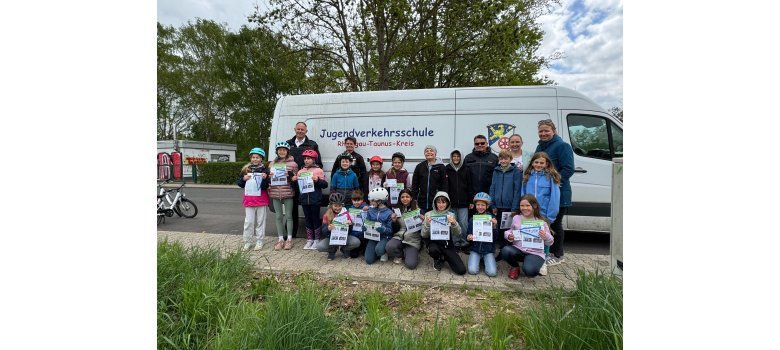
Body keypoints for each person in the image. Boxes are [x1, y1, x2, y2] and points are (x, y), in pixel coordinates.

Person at [535, 119, 574, 265]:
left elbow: (568, 169)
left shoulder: (562, 146)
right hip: (544, 195)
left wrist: (553, 184)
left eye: (546, 130)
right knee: (546, 224)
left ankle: (557, 255)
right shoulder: (540, 146)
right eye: (541, 131)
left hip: (559, 194)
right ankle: (546, 252)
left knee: (555, 224)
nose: (543, 133)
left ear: (554, 130)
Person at [520, 151, 562, 276]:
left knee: (543, 236)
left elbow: (555, 197)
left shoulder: (551, 177)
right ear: (532, 163)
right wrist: (522, 209)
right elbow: (522, 194)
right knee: (531, 236)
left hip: (543, 213)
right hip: (528, 212)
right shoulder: (527, 176)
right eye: (536, 162)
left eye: (541, 163)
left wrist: (550, 216)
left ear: (547, 163)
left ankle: (543, 260)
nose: (538, 164)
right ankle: (530, 258)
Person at [500, 194, 554, 279]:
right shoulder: (516, 218)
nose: (524, 208)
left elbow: (550, 242)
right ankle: (515, 267)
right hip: (519, 250)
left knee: (530, 272)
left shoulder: (541, 222)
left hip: (535, 253)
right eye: (522, 205)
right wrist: (509, 236)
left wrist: (545, 236)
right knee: (505, 250)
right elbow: (510, 231)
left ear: (534, 206)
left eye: (527, 205)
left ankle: (532, 263)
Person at [286, 122, 322, 238]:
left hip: (306, 182)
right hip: (293, 180)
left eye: (302, 129)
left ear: (306, 131)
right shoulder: (288, 144)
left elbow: (318, 163)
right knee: (291, 208)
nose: (300, 131)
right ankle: (291, 234)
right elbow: (283, 162)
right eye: (298, 129)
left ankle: (312, 237)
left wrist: (314, 175)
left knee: (308, 207)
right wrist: (290, 176)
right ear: (294, 129)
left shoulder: (312, 144)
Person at [421, 191, 466, 275]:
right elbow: (424, 235)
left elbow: (458, 233)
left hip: (447, 244)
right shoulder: (428, 214)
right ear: (435, 203)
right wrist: (427, 224)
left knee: (461, 270)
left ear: (447, 203)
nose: (441, 205)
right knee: (433, 249)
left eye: (443, 202)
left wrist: (454, 223)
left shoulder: (451, 215)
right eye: (439, 202)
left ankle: (444, 256)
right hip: (434, 243)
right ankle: (437, 258)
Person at [488, 149, 522, 258]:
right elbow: (492, 187)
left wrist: (514, 207)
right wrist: (492, 204)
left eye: (506, 158)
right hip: (498, 206)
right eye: (501, 158)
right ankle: (502, 251)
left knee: (508, 230)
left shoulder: (515, 171)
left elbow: (517, 190)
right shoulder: (496, 170)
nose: (503, 160)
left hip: (509, 207)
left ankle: (507, 251)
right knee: (499, 229)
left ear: (510, 159)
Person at [291, 149, 328, 249]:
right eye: (305, 159)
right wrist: (294, 180)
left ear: (314, 160)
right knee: (307, 219)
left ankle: (316, 240)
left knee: (315, 218)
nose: (306, 160)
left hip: (315, 199)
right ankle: (309, 239)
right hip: (304, 199)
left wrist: (317, 180)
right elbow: (297, 186)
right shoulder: (300, 171)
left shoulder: (318, 170)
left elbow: (325, 184)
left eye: (309, 159)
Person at [236, 147, 271, 251]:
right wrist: (243, 179)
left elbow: (265, 186)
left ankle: (260, 241)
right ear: (251, 158)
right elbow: (240, 184)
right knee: (249, 222)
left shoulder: (265, 170)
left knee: (261, 222)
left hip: (261, 200)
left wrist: (265, 179)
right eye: (253, 157)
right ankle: (247, 241)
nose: (255, 159)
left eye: (257, 157)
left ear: (261, 159)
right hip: (249, 200)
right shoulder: (246, 170)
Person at [268, 141, 299, 250]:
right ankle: (280, 239)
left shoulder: (293, 164)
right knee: (278, 216)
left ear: (287, 151)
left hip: (288, 192)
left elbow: (296, 180)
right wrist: (268, 176)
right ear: (277, 152)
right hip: (275, 192)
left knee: (289, 216)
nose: (282, 152)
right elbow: (268, 180)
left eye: (284, 150)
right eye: (280, 150)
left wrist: (290, 176)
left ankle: (289, 239)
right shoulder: (272, 164)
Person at [385, 189, 424, 269]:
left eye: (407, 197)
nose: (405, 199)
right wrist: (394, 221)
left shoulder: (418, 210)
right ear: (400, 198)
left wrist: (423, 222)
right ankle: (400, 254)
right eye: (402, 197)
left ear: (411, 198)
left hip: (412, 240)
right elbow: (395, 230)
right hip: (399, 237)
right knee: (389, 247)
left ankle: (410, 252)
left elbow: (422, 231)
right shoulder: (397, 210)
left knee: (411, 265)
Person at [316, 193, 361, 260]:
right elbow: (323, 231)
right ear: (331, 205)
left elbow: (350, 231)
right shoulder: (326, 215)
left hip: (343, 236)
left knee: (356, 242)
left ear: (342, 205)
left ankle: (344, 249)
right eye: (335, 206)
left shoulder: (346, 213)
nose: (338, 208)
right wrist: (328, 228)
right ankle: (332, 250)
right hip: (331, 238)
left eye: (340, 206)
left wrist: (350, 225)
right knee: (320, 246)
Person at [444, 149, 472, 252]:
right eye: (454, 156)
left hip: (464, 203)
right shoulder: (447, 169)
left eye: (458, 156)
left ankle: (464, 243)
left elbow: (470, 185)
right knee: (452, 223)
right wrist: (446, 201)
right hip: (451, 203)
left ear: (461, 157)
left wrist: (471, 201)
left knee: (463, 223)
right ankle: (456, 243)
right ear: (451, 157)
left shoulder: (466, 169)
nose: (456, 158)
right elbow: (445, 186)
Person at [465, 192, 498, 277]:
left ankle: (484, 259)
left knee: (492, 273)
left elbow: (496, 237)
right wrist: (468, 237)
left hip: (488, 250)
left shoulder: (492, 219)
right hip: (475, 249)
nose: (480, 207)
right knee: (472, 271)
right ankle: (479, 259)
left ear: (487, 206)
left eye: (483, 205)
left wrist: (494, 226)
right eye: (478, 204)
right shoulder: (472, 219)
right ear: (475, 205)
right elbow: (468, 233)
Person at [411, 145, 448, 214]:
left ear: (435, 153)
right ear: (424, 154)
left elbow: (445, 185)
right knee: (422, 223)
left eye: (431, 151)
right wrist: (415, 199)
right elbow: (414, 184)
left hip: (436, 203)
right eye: (426, 151)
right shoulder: (420, 166)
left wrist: (443, 200)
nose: (429, 152)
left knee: (434, 223)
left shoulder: (441, 167)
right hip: (421, 203)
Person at [364, 187, 394, 264]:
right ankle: (377, 252)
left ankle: (383, 252)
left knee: (379, 250)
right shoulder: (370, 210)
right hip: (373, 236)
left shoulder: (389, 213)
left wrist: (384, 229)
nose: (370, 203)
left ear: (380, 201)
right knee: (368, 260)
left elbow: (391, 230)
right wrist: (364, 227)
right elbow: (367, 222)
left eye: (372, 200)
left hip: (385, 237)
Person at [345, 189, 369, 258]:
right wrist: (348, 222)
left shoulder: (366, 208)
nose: (356, 202)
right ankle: (357, 248)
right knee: (353, 255)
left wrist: (366, 210)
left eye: (358, 200)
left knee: (363, 238)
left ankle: (364, 248)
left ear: (362, 200)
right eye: (354, 200)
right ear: (352, 200)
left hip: (363, 233)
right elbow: (348, 220)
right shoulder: (350, 209)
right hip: (354, 233)